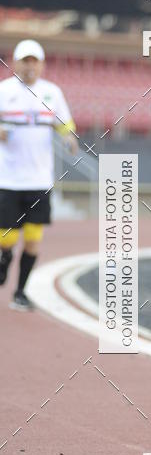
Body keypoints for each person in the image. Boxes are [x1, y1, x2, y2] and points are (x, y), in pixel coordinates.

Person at [0, 40, 78, 311]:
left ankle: (20, 291)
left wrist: (69, 137)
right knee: (6, 238)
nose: (30, 66)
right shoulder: (4, 91)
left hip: (39, 180)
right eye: (25, 60)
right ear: (16, 63)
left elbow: (64, 123)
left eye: (35, 61)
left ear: (42, 64)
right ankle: (4, 258)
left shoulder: (51, 93)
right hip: (7, 180)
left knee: (33, 240)